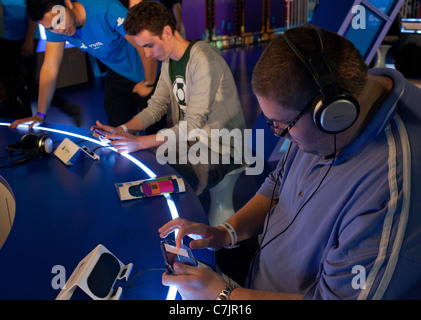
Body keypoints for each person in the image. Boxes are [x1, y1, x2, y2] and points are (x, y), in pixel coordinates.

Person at [158, 24, 421, 300]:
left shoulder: (391, 188)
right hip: (259, 280)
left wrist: (224, 296)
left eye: (281, 124)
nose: (278, 133)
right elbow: (279, 184)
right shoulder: (332, 111)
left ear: (334, 114)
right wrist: (225, 233)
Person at [92, 1, 245, 196]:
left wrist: (140, 142)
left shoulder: (204, 59)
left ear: (166, 32)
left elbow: (192, 124)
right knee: (145, 161)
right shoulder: (168, 62)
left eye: (149, 45)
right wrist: (121, 129)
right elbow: (155, 108)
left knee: (157, 175)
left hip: (222, 149)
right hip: (192, 142)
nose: (146, 54)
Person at [9, 0, 164, 134]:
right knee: (116, 130)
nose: (60, 29)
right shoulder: (55, 27)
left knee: (156, 134)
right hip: (119, 73)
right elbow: (50, 67)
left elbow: (144, 47)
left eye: (60, 20)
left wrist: (149, 82)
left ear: (68, 3)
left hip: (153, 72)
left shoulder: (105, 9)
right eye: (50, 28)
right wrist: (40, 115)